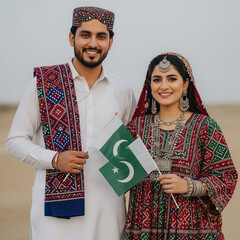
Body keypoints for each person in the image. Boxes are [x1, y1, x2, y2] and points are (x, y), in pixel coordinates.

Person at [6, 6, 136, 240]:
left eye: (101, 36)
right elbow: (15, 141)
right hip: (53, 217)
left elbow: (132, 151)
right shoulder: (43, 84)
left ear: (111, 42)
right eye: (85, 35)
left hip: (108, 214)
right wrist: (54, 159)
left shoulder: (123, 90)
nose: (93, 43)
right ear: (71, 38)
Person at [124, 52, 238, 239]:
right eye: (157, 79)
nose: (164, 86)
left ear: (185, 83)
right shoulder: (135, 128)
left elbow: (226, 177)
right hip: (143, 229)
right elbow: (118, 175)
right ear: (149, 84)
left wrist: (188, 186)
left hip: (191, 231)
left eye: (172, 79)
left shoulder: (205, 127)